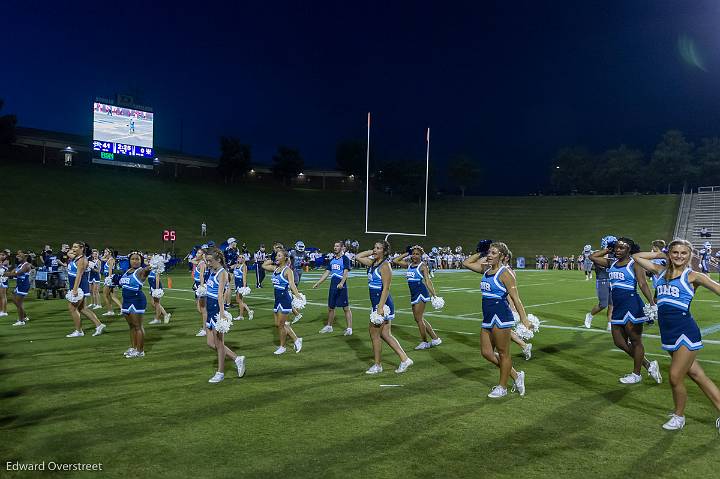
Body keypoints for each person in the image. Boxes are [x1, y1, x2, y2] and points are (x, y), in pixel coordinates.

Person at [633, 239, 720, 432]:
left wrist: (666, 254)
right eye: (675, 253)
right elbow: (636, 257)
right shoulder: (660, 272)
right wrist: (661, 255)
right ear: (669, 254)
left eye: (684, 253)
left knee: (674, 376)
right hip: (668, 333)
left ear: (690, 255)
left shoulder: (693, 276)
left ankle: (679, 416)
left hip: (685, 332)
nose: (679, 256)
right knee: (697, 374)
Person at [589, 237, 662, 385]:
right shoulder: (611, 262)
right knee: (619, 342)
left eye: (622, 248)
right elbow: (592, 257)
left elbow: (642, 284)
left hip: (631, 304)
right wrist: (607, 249)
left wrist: (652, 303)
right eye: (616, 247)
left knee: (635, 341)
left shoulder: (635, 263)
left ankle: (636, 374)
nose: (618, 250)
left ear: (629, 249)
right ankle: (648, 364)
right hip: (618, 306)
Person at [463, 242, 529, 398]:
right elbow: (466, 263)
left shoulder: (505, 273)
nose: (489, 255)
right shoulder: (486, 269)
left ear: (502, 256)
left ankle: (502, 387)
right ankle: (516, 375)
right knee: (486, 353)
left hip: (501, 316)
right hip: (487, 316)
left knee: (503, 353)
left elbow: (516, 299)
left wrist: (524, 320)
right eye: (489, 253)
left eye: (493, 253)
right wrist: (480, 252)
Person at [356, 241, 413, 374]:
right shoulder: (372, 263)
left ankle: (377, 365)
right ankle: (405, 359)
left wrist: (380, 308)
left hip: (382, 304)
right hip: (377, 303)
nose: (375, 250)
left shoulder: (385, 266)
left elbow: (386, 288)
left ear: (385, 251)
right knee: (385, 334)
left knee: (374, 334)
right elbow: (358, 257)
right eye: (374, 247)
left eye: (378, 248)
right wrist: (372, 252)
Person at [204, 248, 246, 383]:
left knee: (219, 343)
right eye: (207, 261)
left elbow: (220, 295)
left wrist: (222, 315)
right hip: (210, 307)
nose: (208, 263)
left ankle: (220, 372)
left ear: (219, 260)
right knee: (211, 343)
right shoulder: (213, 270)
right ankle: (236, 358)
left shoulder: (222, 273)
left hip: (216, 308)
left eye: (210, 261)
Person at [392, 245, 442, 350]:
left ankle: (425, 342)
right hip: (413, 294)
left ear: (421, 255)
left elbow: (427, 281)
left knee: (418, 319)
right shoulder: (409, 265)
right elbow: (395, 260)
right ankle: (435, 338)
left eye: (417, 254)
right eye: (413, 254)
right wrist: (407, 253)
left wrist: (434, 294)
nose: (414, 256)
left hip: (421, 293)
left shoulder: (422, 266)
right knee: (419, 318)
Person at [262, 248, 303, 355]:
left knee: (281, 324)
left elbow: (292, 284)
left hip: (284, 299)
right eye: (276, 255)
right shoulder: (275, 268)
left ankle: (283, 346)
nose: (277, 257)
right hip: (277, 299)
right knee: (278, 324)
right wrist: (272, 259)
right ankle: (296, 339)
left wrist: (297, 295)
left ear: (285, 258)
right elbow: (264, 266)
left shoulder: (287, 270)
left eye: (279, 256)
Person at [65, 242, 106, 338]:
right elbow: (68, 253)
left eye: (75, 247)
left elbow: (79, 276)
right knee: (82, 308)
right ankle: (99, 325)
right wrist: (74, 249)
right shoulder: (76, 257)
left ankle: (79, 331)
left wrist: (74, 290)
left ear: (82, 248)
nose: (73, 249)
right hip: (77, 286)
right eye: (73, 247)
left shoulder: (82, 260)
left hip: (79, 287)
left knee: (72, 308)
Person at [313, 240, 353, 336]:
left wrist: (342, 283)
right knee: (331, 307)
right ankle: (329, 326)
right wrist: (318, 283)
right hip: (333, 285)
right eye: (334, 246)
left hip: (341, 286)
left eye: (337, 246)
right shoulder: (332, 260)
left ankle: (349, 328)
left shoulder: (345, 259)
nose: (335, 247)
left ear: (342, 248)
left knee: (346, 307)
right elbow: (327, 273)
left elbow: (346, 272)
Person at [118, 252, 152, 358]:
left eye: (137, 259)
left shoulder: (140, 271)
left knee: (138, 326)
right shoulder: (128, 271)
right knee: (131, 326)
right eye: (132, 259)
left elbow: (147, 270)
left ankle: (140, 351)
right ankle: (133, 348)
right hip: (126, 301)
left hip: (137, 300)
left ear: (141, 261)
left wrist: (153, 265)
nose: (135, 261)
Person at [584, 239, 614, 331]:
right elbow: (596, 261)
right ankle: (590, 315)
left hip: (612, 280)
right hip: (602, 280)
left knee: (612, 304)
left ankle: (609, 323)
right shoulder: (598, 253)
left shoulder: (614, 255)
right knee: (603, 304)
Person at [1, 251, 33, 326]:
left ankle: (21, 321)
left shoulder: (27, 265)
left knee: (19, 303)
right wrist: (5, 274)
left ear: (24, 257)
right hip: (19, 285)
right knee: (14, 300)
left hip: (23, 286)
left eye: (19, 256)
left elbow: (17, 273)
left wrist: (4, 273)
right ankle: (24, 317)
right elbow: (13, 271)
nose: (17, 257)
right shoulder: (20, 265)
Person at [146, 256, 171, 325]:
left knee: (156, 303)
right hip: (152, 286)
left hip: (156, 286)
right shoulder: (151, 267)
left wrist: (156, 289)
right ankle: (160, 317)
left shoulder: (157, 268)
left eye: (150, 259)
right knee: (153, 303)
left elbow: (157, 279)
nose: (149, 260)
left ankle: (162, 316)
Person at [192, 248, 209, 337]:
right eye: (197, 252)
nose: (196, 254)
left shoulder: (202, 264)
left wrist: (201, 287)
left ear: (202, 255)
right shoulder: (201, 262)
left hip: (200, 286)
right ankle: (206, 325)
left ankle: (205, 329)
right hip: (197, 286)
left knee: (203, 309)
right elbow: (192, 260)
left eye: (199, 253)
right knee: (200, 309)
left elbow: (202, 276)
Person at [231, 254, 254, 321]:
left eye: (242, 257)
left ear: (244, 259)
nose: (240, 258)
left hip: (241, 285)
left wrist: (244, 286)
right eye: (239, 257)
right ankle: (246, 313)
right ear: (237, 258)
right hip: (237, 284)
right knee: (238, 300)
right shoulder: (235, 265)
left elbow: (244, 277)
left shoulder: (244, 266)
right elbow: (228, 267)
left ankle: (245, 314)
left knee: (240, 301)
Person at [101, 248, 123, 316]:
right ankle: (122, 309)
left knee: (105, 295)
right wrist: (105, 254)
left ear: (110, 253)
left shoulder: (111, 260)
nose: (104, 253)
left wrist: (109, 278)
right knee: (113, 296)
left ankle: (110, 311)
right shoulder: (109, 259)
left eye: (106, 252)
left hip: (109, 279)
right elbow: (101, 259)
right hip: (110, 279)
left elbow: (110, 270)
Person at [0, 250, 9, 317]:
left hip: (3, 280)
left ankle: (4, 311)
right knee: (1, 296)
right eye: (0, 254)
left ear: (5, 256)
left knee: (3, 296)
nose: (1, 256)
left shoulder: (6, 261)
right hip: (0, 279)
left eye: (3, 255)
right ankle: (1, 310)